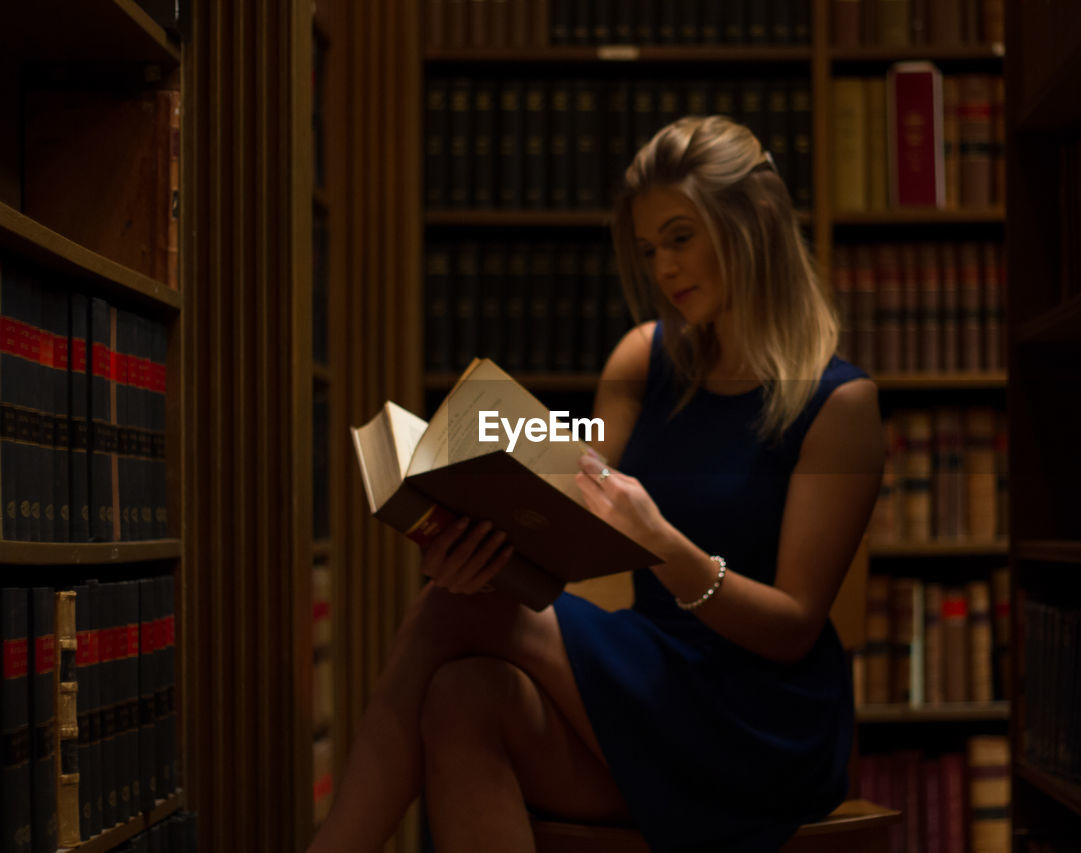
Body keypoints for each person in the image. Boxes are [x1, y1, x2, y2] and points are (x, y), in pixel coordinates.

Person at [308, 115, 885, 853]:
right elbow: (569, 535)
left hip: (761, 722)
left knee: (454, 619)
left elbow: (793, 626)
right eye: (649, 249)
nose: (663, 268)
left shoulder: (842, 405)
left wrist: (664, 544)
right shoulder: (641, 358)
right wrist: (478, 550)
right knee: (461, 693)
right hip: (647, 687)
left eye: (681, 236)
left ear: (755, 222)